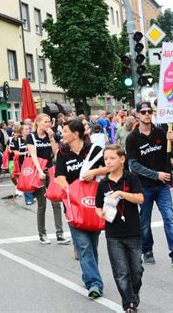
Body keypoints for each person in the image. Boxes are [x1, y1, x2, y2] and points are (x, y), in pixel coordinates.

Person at [126, 101, 173, 267]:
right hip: (143, 186)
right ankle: (147, 250)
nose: (147, 114)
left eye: (149, 111)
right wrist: (156, 175)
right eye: (143, 112)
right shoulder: (132, 138)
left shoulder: (162, 132)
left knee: (169, 218)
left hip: (162, 186)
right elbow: (133, 165)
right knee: (145, 221)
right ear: (138, 115)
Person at [55, 119, 107, 299]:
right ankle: (95, 284)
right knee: (84, 247)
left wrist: (93, 173)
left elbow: (109, 168)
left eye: (65, 131)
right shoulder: (62, 152)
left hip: (93, 205)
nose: (62, 134)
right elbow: (59, 177)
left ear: (75, 134)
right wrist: (71, 191)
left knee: (92, 246)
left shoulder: (94, 150)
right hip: (74, 206)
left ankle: (88, 277)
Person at [95, 144, 144, 312]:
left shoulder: (131, 178)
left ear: (122, 160)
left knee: (136, 270)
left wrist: (121, 194)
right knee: (121, 271)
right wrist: (100, 214)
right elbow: (97, 206)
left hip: (133, 231)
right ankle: (128, 303)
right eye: (105, 159)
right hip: (113, 234)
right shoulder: (103, 183)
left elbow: (140, 198)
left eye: (112, 158)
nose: (108, 162)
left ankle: (134, 293)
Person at [26, 113, 70, 245]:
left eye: (49, 122)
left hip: (51, 170)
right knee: (42, 205)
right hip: (39, 172)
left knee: (56, 202)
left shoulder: (51, 135)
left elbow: (56, 153)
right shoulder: (31, 137)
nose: (48, 124)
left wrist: (51, 138)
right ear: (38, 122)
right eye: (45, 122)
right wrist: (40, 171)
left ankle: (60, 233)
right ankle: (42, 234)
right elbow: (33, 155)